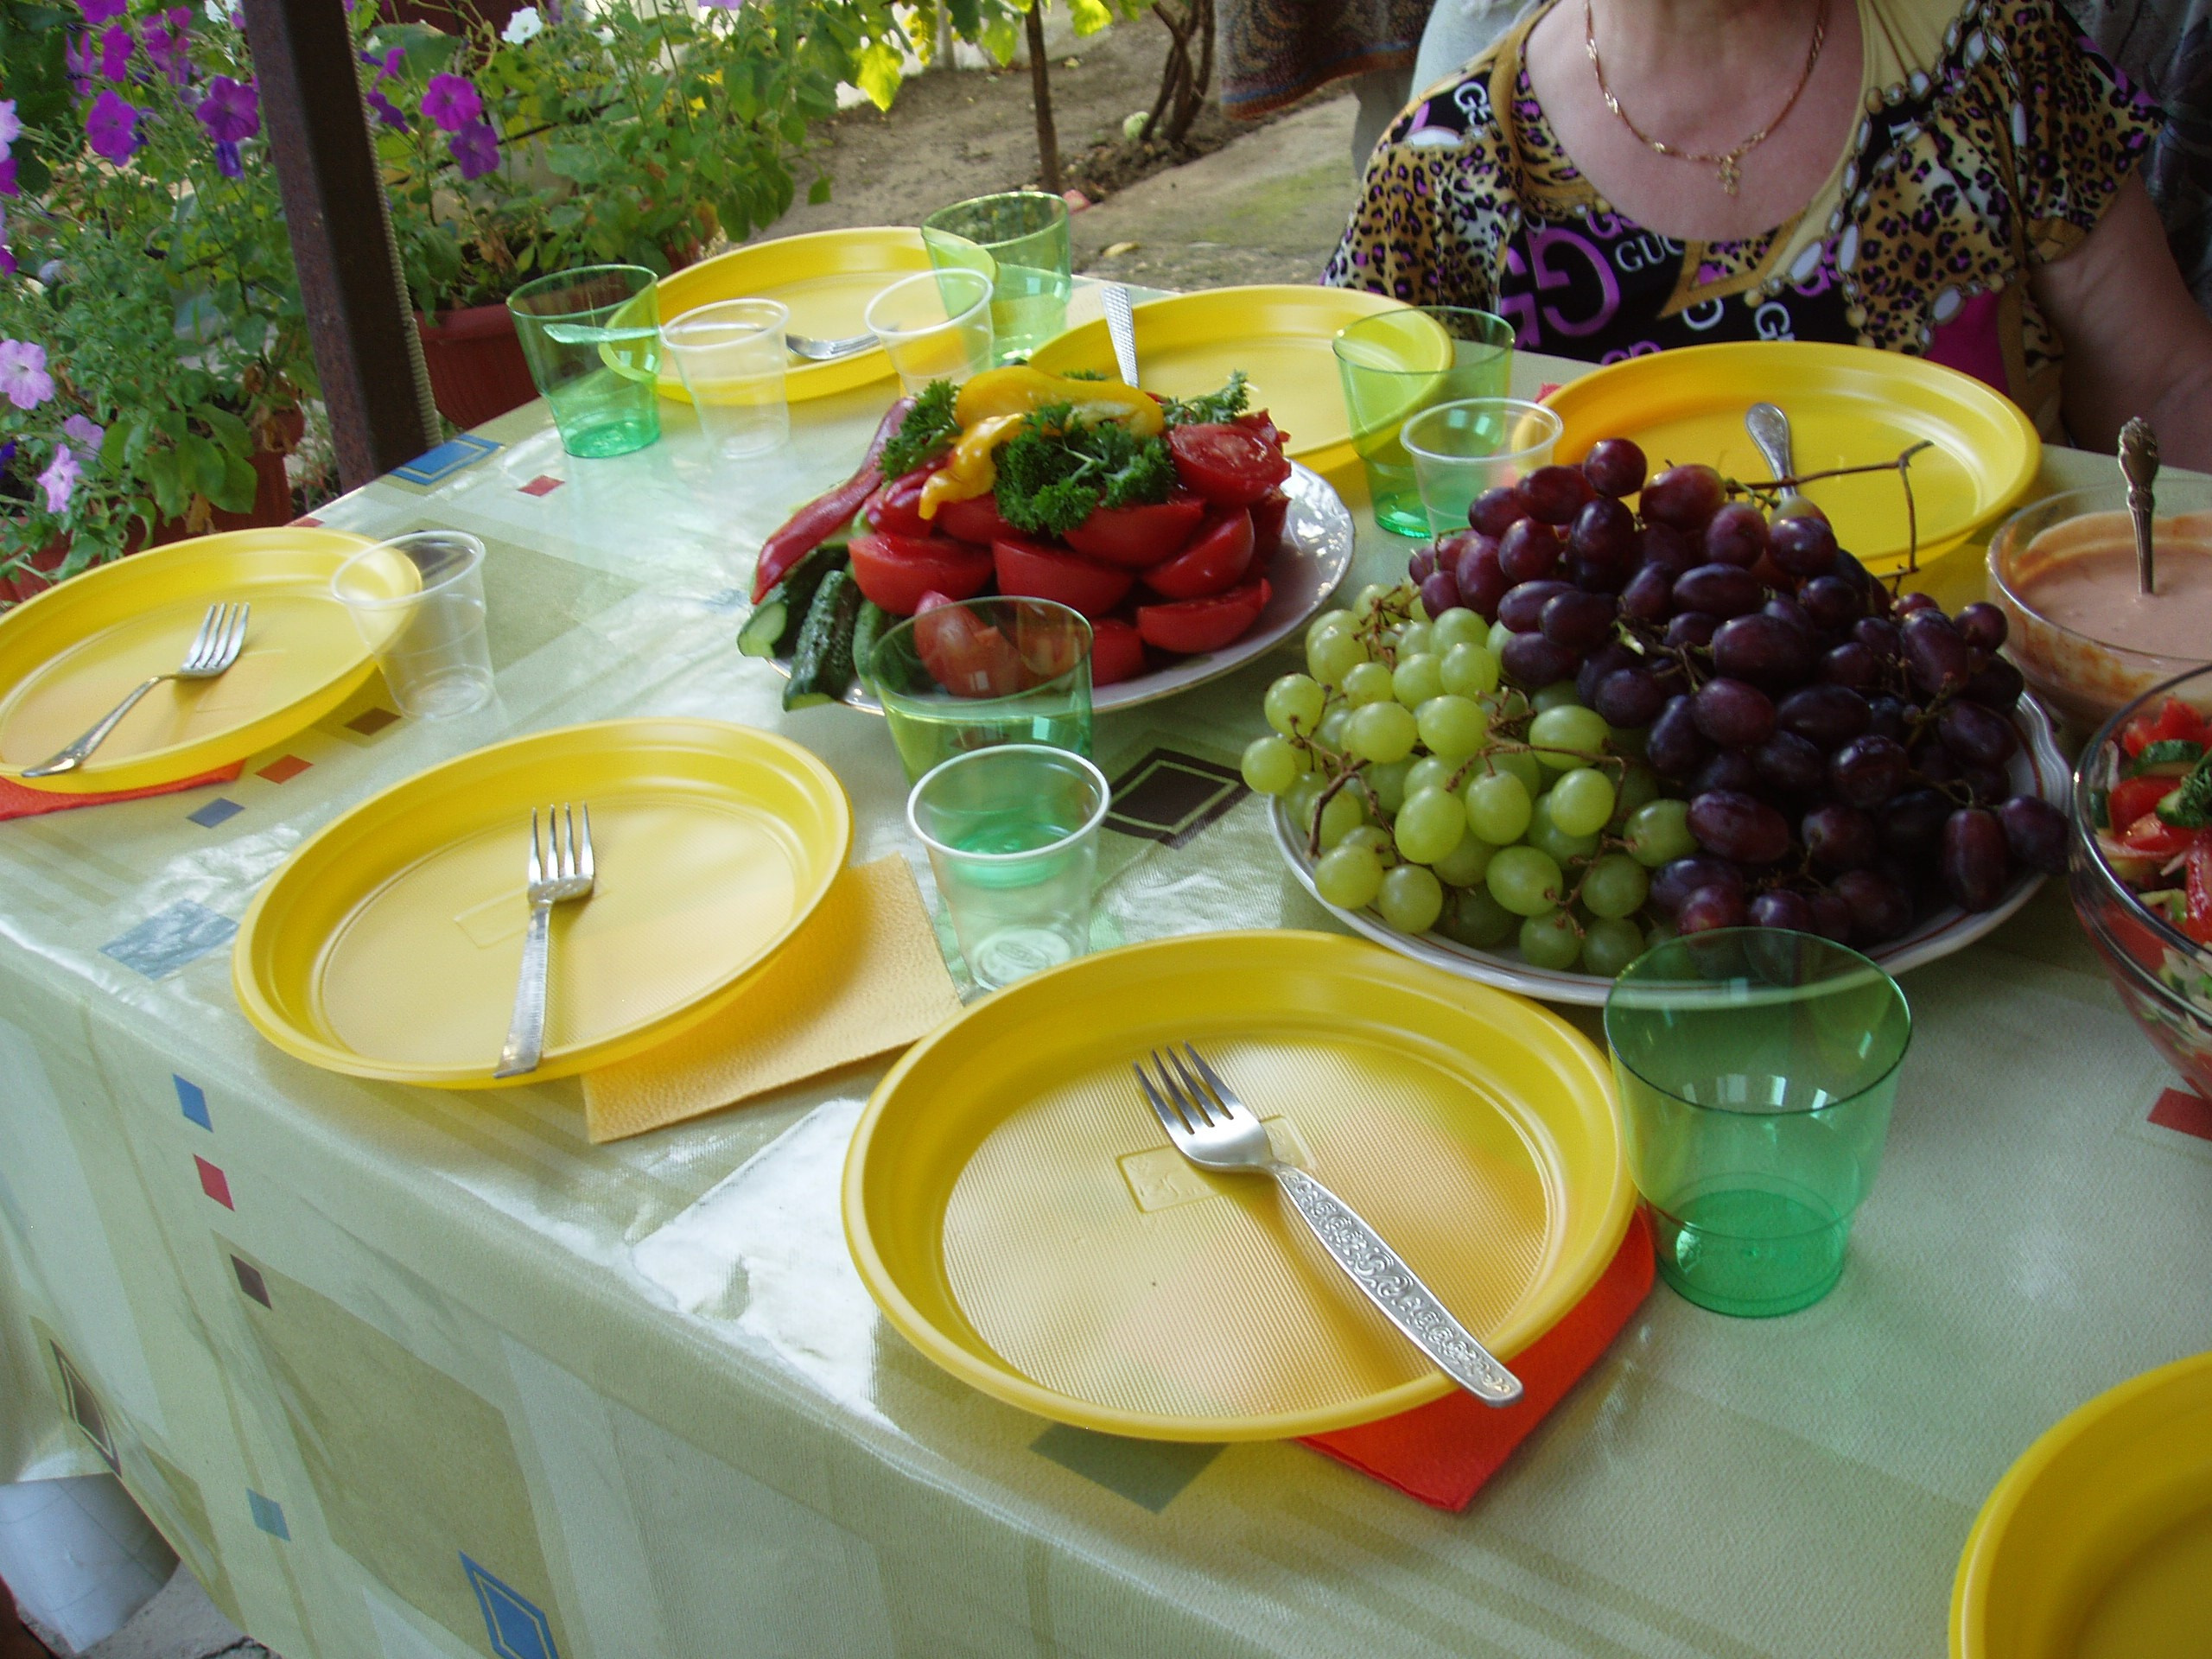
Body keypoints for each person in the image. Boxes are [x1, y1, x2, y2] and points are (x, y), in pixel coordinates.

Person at [1325, 0, 2212, 469]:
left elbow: (2172, 389)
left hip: (1987, 710)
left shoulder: (1997, 54)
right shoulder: (1445, 165)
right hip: (1615, 744)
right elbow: (1370, 489)